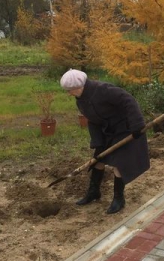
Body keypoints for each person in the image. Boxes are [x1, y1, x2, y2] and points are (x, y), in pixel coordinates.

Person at [59, 69, 149, 214]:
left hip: (125, 129)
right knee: (97, 160)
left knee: (118, 163)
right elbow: (92, 120)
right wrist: (97, 142)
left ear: (79, 86)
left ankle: (119, 199)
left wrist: (137, 125)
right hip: (108, 131)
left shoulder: (103, 90)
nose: (69, 94)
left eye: (70, 90)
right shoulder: (81, 100)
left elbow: (129, 101)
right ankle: (94, 192)